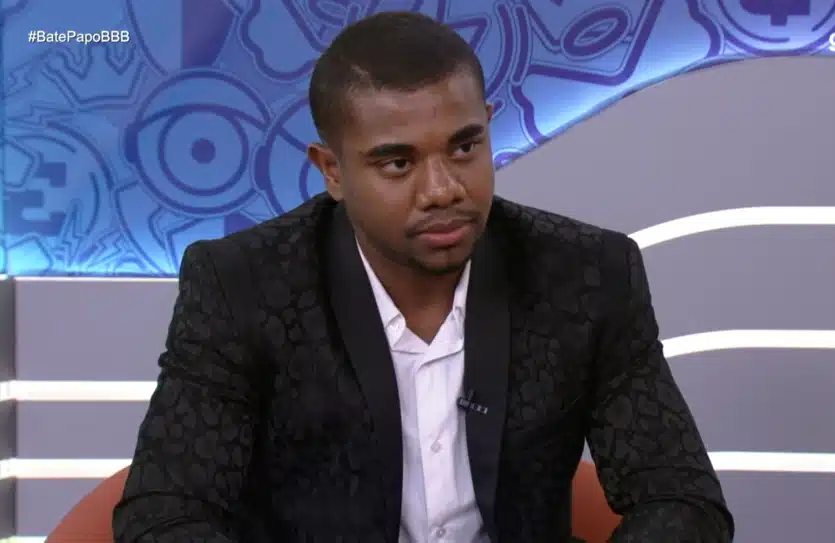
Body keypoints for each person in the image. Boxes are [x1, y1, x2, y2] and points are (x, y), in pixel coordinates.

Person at [113, 11, 734, 543]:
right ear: (332, 171)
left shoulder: (587, 276)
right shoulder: (242, 286)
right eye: (397, 163)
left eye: (464, 147)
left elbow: (682, 501)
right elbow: (163, 514)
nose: (442, 190)